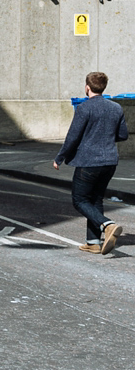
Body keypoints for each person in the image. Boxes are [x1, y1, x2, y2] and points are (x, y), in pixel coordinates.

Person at [54, 72, 128, 254]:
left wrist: (59, 158)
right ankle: (93, 242)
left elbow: (73, 138)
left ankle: (107, 225)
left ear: (87, 87)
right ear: (104, 87)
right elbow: (123, 135)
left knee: (79, 200)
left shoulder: (84, 108)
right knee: (95, 199)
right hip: (110, 161)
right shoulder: (116, 108)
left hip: (89, 162)